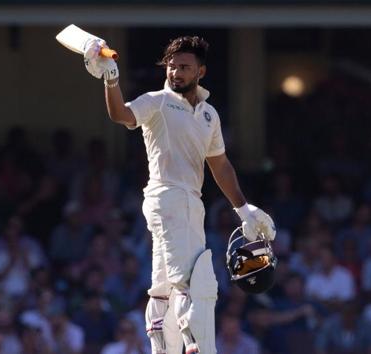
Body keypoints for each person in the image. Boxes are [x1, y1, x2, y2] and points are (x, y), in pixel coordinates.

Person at [82, 35, 276, 354]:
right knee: (194, 282)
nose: (176, 73)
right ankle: (193, 346)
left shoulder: (210, 115)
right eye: (172, 67)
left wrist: (244, 210)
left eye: (184, 67)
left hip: (188, 201)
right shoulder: (157, 101)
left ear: (201, 71)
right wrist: (111, 78)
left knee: (163, 286)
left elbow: (220, 164)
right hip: (169, 196)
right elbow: (121, 114)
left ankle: (162, 347)